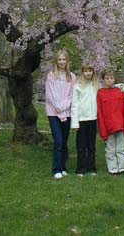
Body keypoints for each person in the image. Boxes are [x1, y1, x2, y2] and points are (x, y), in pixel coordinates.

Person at [45, 49, 76, 179]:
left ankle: (63, 167)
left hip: (66, 112)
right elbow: (50, 93)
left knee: (64, 141)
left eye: (64, 59)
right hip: (53, 112)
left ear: (67, 61)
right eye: (59, 59)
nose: (62, 62)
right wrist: (57, 106)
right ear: (56, 61)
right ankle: (56, 169)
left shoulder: (72, 77)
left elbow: (71, 95)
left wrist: (62, 107)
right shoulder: (52, 75)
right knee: (58, 141)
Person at [97, 68, 124, 175]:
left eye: (111, 78)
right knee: (110, 149)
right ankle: (113, 169)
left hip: (120, 125)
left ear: (114, 79)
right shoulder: (100, 93)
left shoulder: (119, 93)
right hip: (108, 127)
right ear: (103, 80)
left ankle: (122, 168)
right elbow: (100, 113)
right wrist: (102, 130)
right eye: (107, 78)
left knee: (121, 148)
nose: (109, 80)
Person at [70, 64, 99, 177]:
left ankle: (91, 168)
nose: (88, 73)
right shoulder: (77, 86)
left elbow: (108, 88)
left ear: (93, 72)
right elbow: (75, 105)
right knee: (81, 146)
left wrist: (119, 86)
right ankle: (81, 168)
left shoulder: (96, 85)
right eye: (86, 71)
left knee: (91, 146)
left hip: (92, 119)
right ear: (82, 72)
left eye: (90, 71)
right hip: (81, 120)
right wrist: (75, 122)